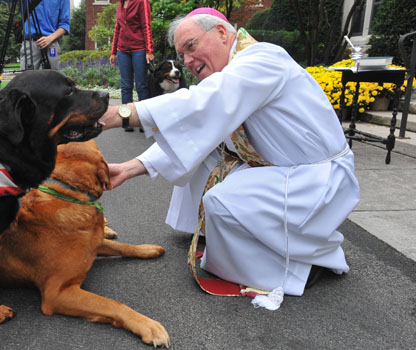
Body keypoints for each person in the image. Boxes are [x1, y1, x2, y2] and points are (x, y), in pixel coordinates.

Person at [99, 8, 360, 307]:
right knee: (199, 159)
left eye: (191, 47)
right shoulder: (232, 71)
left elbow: (203, 102)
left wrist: (119, 113)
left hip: (315, 180)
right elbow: (197, 130)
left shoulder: (262, 59)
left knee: (220, 201)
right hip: (282, 170)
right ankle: (230, 238)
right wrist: (130, 168)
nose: (185, 61)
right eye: (181, 54)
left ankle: (295, 267)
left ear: (222, 33)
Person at [110, 0, 154, 133]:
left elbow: (146, 25)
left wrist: (149, 50)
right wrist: (113, 51)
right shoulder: (121, 4)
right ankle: (127, 119)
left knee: (141, 85)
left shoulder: (141, 2)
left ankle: (143, 121)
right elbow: (118, 28)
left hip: (139, 49)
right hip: (122, 50)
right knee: (126, 85)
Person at [19, 0, 70, 70]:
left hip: (51, 43)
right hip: (30, 42)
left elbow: (65, 24)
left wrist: (50, 38)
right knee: (26, 78)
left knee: (53, 78)